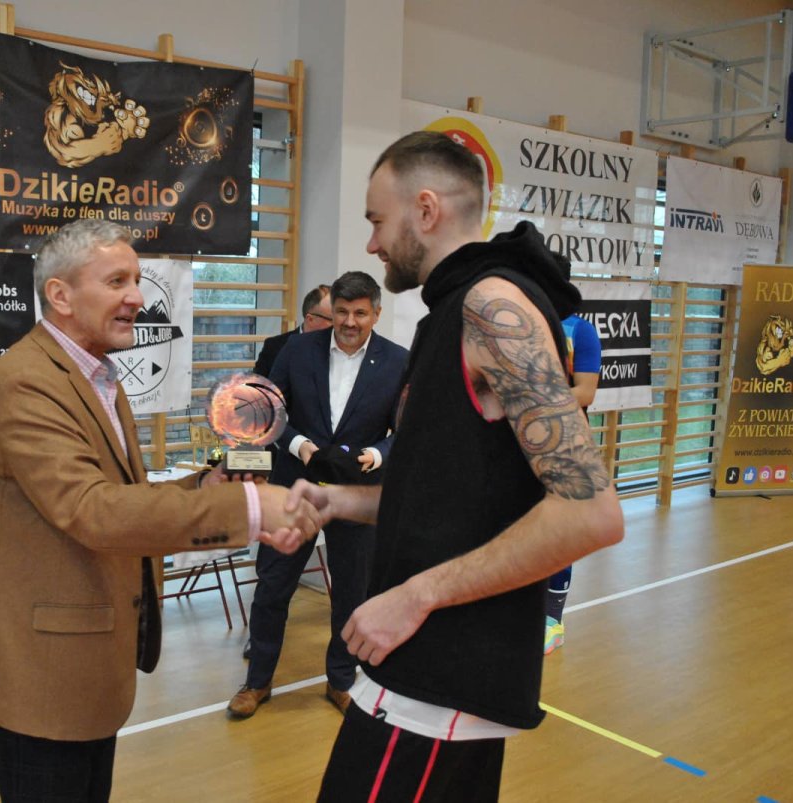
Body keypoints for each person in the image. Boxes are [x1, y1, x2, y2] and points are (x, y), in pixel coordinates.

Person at [286, 131, 623, 802]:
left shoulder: (492, 308)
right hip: (420, 673)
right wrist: (340, 501)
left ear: (426, 209)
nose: (373, 244)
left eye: (377, 221)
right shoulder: (451, 310)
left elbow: (592, 513)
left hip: (438, 682)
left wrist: (415, 595)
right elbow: (448, 487)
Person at [0, 219, 322, 803]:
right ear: (60, 295)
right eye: (117, 281)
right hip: (41, 675)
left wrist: (209, 484)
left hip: (85, 666)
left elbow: (122, 492)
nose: (137, 298)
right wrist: (248, 507)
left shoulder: (96, 374)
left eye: (138, 280)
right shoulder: (25, 381)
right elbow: (92, 510)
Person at [228, 271, 408, 718]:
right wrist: (299, 446)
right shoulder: (296, 350)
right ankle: (257, 682)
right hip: (295, 487)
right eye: (342, 312)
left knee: (351, 592)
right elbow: (269, 411)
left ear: (376, 313)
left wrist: (375, 455)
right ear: (331, 313)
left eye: (360, 313)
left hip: (357, 495)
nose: (349, 322)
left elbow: (405, 432)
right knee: (273, 587)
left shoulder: (399, 361)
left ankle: (341, 680)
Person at [545, 310, 601, 655]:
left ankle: (553, 621)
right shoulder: (516, 322)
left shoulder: (580, 330)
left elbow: (586, 392)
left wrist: (535, 402)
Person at [253, 283, 333, 378]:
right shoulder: (274, 347)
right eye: (332, 319)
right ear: (310, 319)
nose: (339, 324)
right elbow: (257, 385)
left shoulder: (340, 348)